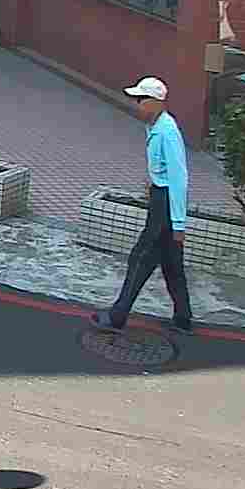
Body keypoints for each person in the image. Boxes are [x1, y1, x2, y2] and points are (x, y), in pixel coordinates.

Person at [94, 76, 194, 334]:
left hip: (166, 204)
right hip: (160, 198)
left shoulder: (167, 132)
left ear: (156, 102)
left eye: (141, 100)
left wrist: (179, 223)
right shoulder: (154, 126)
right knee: (171, 263)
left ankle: (117, 316)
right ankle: (183, 318)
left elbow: (179, 180)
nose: (136, 104)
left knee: (140, 258)